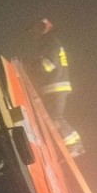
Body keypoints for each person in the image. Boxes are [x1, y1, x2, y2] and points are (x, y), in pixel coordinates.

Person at [26, 18, 85, 157]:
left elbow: (48, 65)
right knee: (57, 117)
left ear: (42, 29)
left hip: (55, 87)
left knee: (55, 118)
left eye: (35, 30)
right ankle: (76, 144)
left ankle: (74, 146)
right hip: (57, 86)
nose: (34, 34)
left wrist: (31, 67)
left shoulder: (50, 44)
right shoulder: (54, 43)